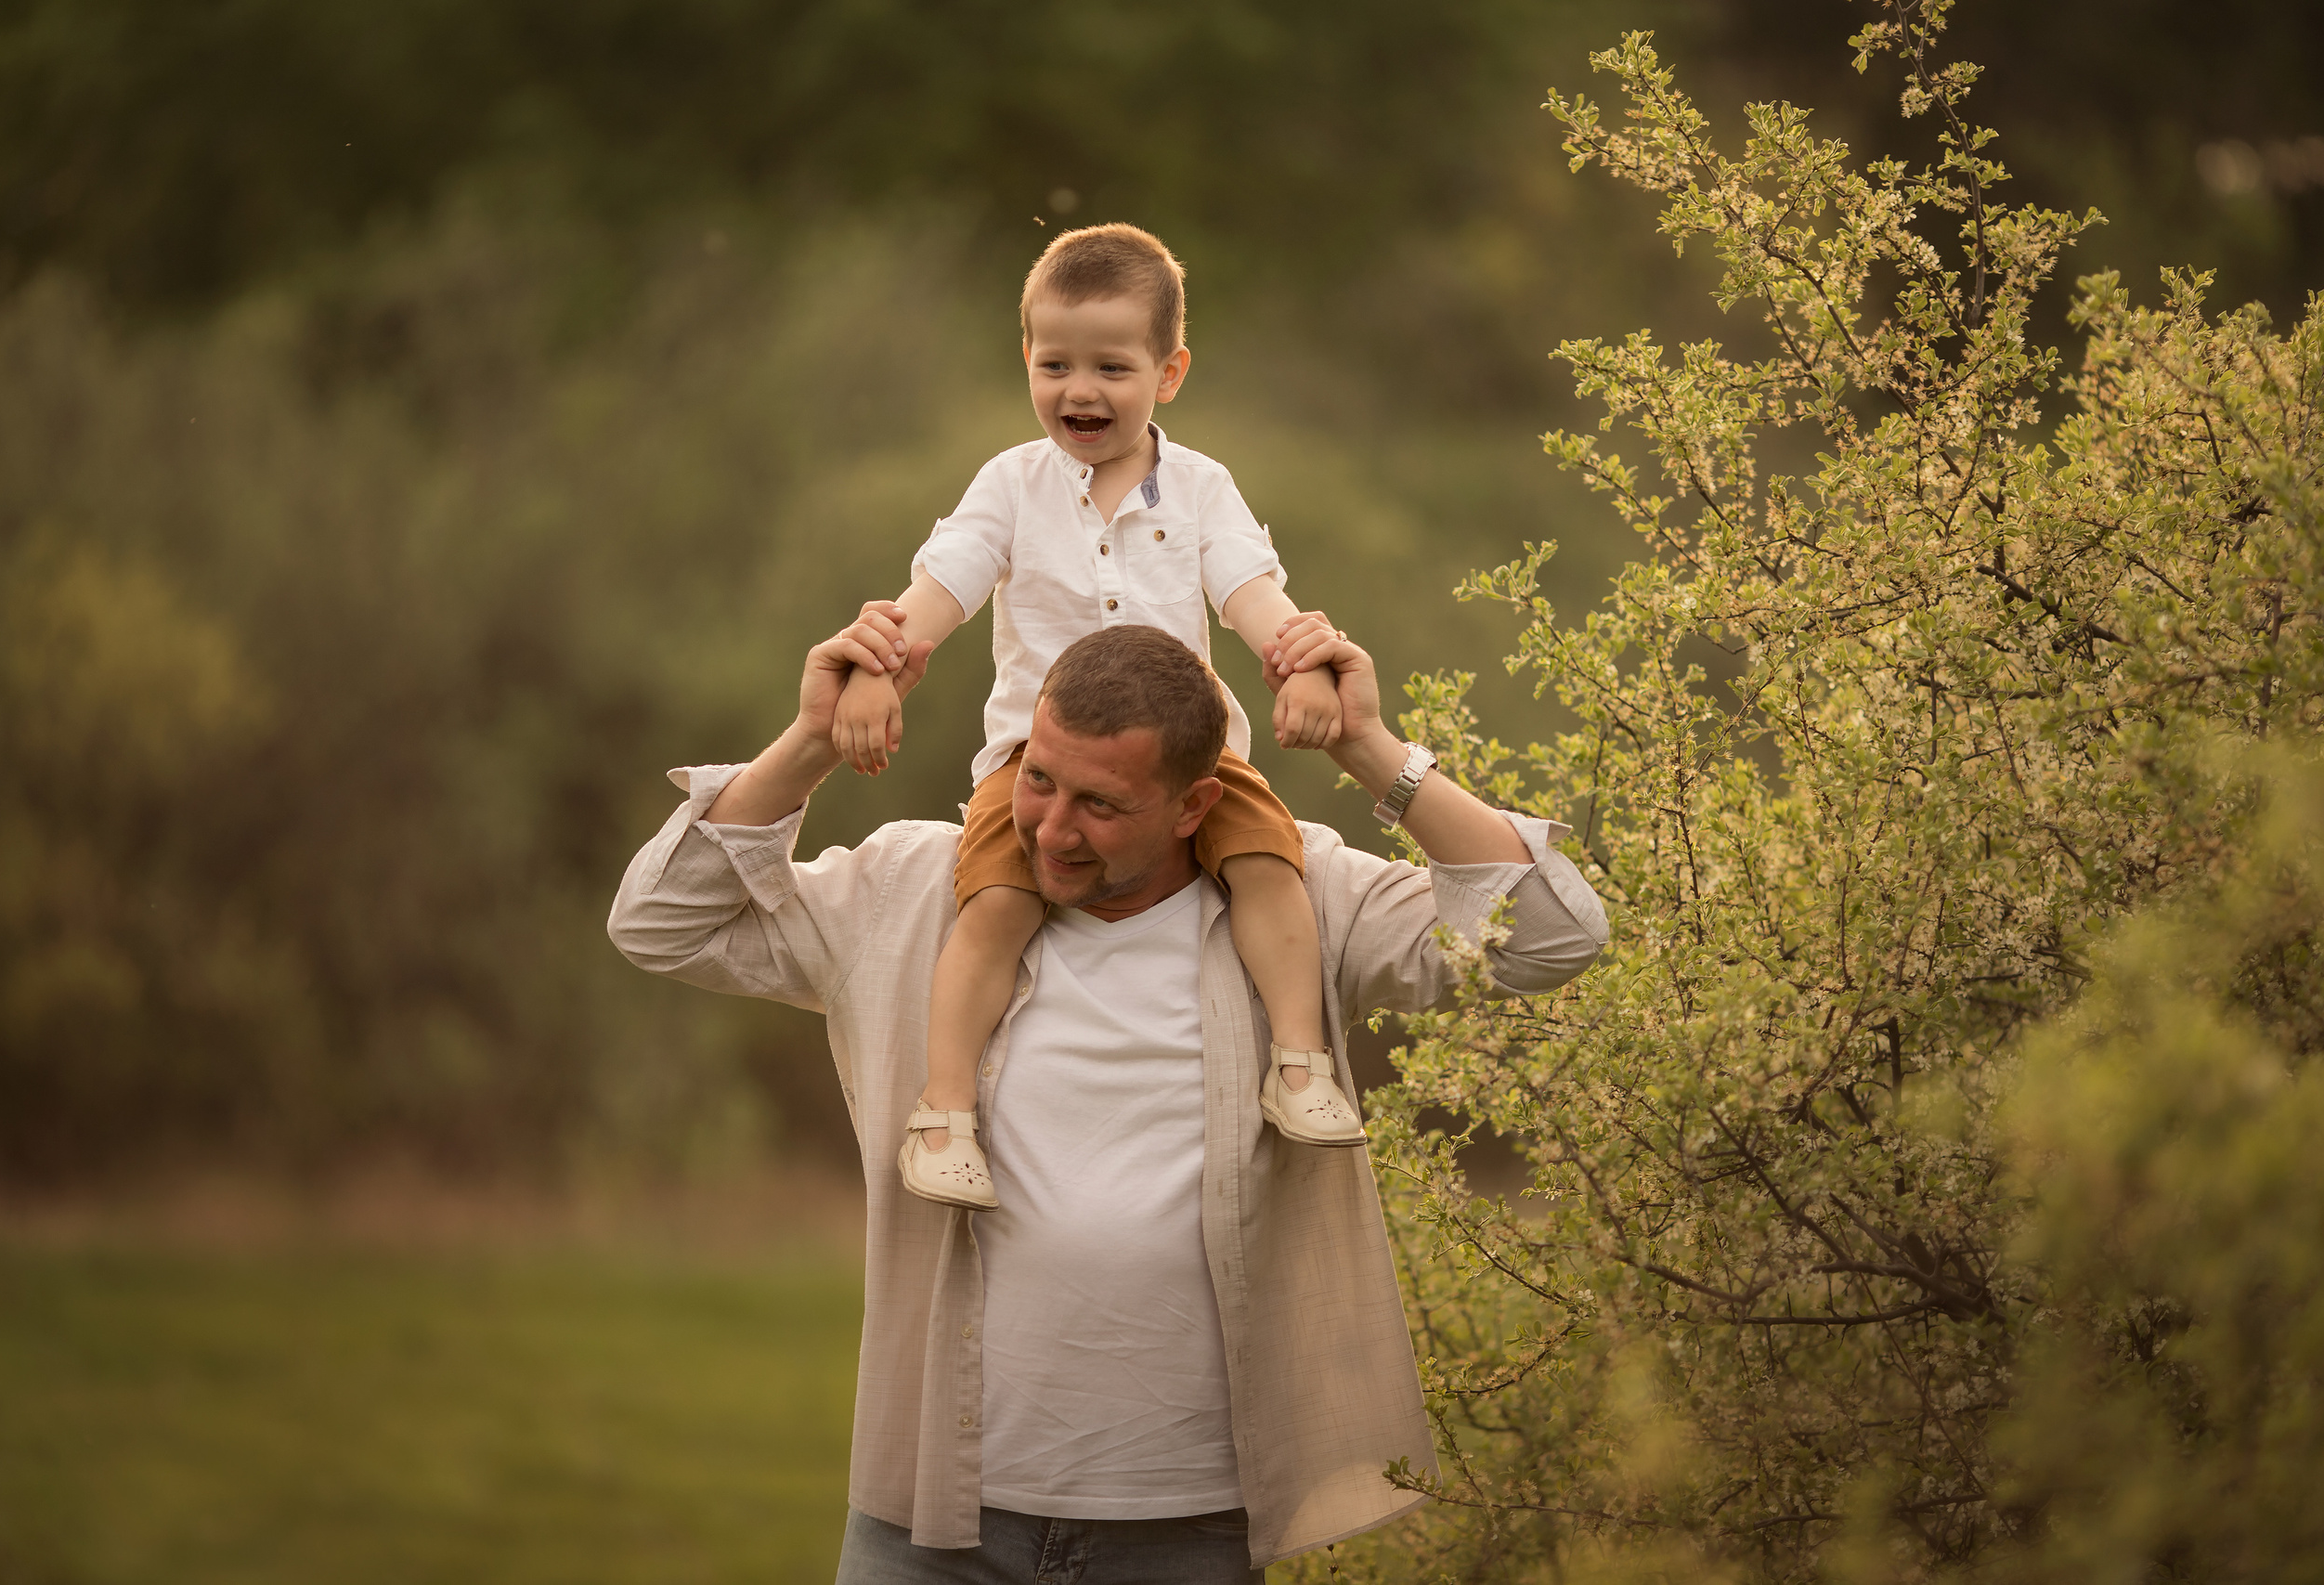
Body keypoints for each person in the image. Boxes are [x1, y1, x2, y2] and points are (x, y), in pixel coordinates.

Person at [606, 616, 1610, 1578]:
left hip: (1192, 1529)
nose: (1049, 827)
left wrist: (1370, 750)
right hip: (933, 1520)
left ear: (1193, 807)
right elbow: (660, 924)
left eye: (1101, 804)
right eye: (1038, 779)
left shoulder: (1301, 897)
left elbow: (1553, 937)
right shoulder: (911, 889)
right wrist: (809, 744)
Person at [828, 222, 1358, 1212]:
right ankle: (944, 1114)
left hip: (1190, 747)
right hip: (1036, 755)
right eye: (1054, 363)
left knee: (1267, 863)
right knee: (992, 903)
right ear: (1024, 359)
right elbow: (941, 586)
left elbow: (1251, 593)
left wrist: (1303, 665)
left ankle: (1298, 1062)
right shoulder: (1009, 485)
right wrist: (880, 667)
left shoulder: (1200, 489)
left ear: (1169, 372)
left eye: (1112, 366)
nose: (1080, 390)